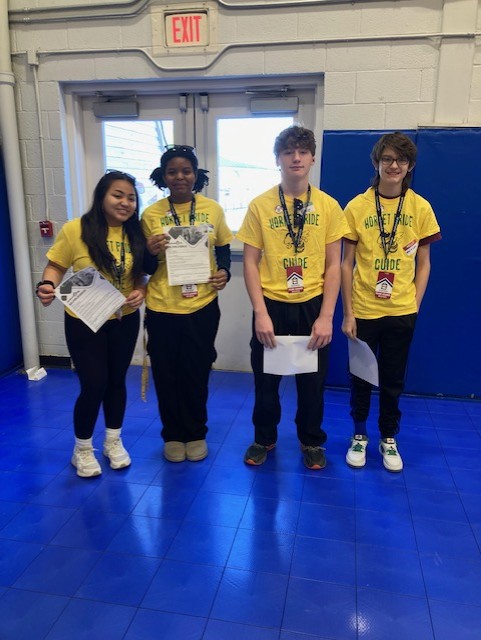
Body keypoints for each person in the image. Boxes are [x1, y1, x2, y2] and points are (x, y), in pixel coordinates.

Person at [236, 125, 349, 470]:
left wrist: (326, 316)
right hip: (272, 304)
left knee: (312, 383)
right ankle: (263, 437)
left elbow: (334, 264)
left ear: (312, 158)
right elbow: (250, 262)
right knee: (266, 381)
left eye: (302, 151)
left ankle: (311, 440)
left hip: (312, 305)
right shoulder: (260, 205)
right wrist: (260, 312)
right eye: (288, 152)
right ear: (278, 159)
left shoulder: (329, 206)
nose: (295, 158)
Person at [36, 170, 149, 478]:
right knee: (94, 384)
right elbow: (56, 265)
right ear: (101, 197)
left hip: (124, 319)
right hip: (85, 321)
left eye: (131, 198)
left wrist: (140, 290)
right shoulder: (76, 229)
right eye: (117, 195)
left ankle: (113, 441)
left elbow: (140, 274)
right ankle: (82, 450)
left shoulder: (135, 232)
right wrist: (46, 284)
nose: (125, 203)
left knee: (116, 382)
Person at [341, 132, 441, 472]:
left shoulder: (420, 207)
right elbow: (346, 263)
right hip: (364, 310)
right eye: (387, 159)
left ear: (409, 166)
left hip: (401, 310)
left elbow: (424, 263)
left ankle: (388, 437)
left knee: (393, 380)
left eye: (401, 160)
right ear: (376, 162)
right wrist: (348, 313)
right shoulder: (357, 206)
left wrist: (415, 303)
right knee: (361, 378)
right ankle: (359, 435)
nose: (393, 165)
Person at [142, 144, 233, 463]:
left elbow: (223, 248)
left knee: (196, 372)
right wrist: (150, 251)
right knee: (166, 374)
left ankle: (195, 433)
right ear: (163, 176)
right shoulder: (150, 214)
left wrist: (225, 272)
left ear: (196, 175)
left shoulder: (213, 209)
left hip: (202, 306)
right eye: (172, 172)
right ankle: (172, 435)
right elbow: (144, 267)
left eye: (186, 171)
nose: (179, 177)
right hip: (161, 307)